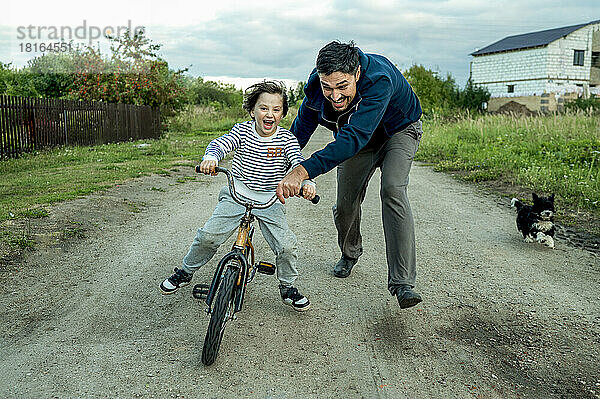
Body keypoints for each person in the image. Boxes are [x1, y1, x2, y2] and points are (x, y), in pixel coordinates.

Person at [276, 41, 423, 309]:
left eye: (342, 86)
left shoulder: (379, 79)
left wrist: (304, 169)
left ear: (356, 74)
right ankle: (349, 253)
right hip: (359, 142)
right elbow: (302, 127)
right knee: (346, 203)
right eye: (327, 87)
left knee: (392, 189)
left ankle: (402, 282)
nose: (335, 96)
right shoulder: (316, 85)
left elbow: (354, 137)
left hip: (399, 131)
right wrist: (278, 162)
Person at [160, 80, 315, 312]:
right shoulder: (242, 131)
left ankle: (287, 286)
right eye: (263, 108)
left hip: (270, 199)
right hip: (237, 193)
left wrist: (306, 181)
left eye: (276, 109)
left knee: (286, 245)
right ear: (252, 111)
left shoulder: (287, 140)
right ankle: (186, 270)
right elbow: (221, 144)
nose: (269, 114)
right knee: (208, 236)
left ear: (283, 113)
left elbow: (297, 164)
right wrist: (211, 158)